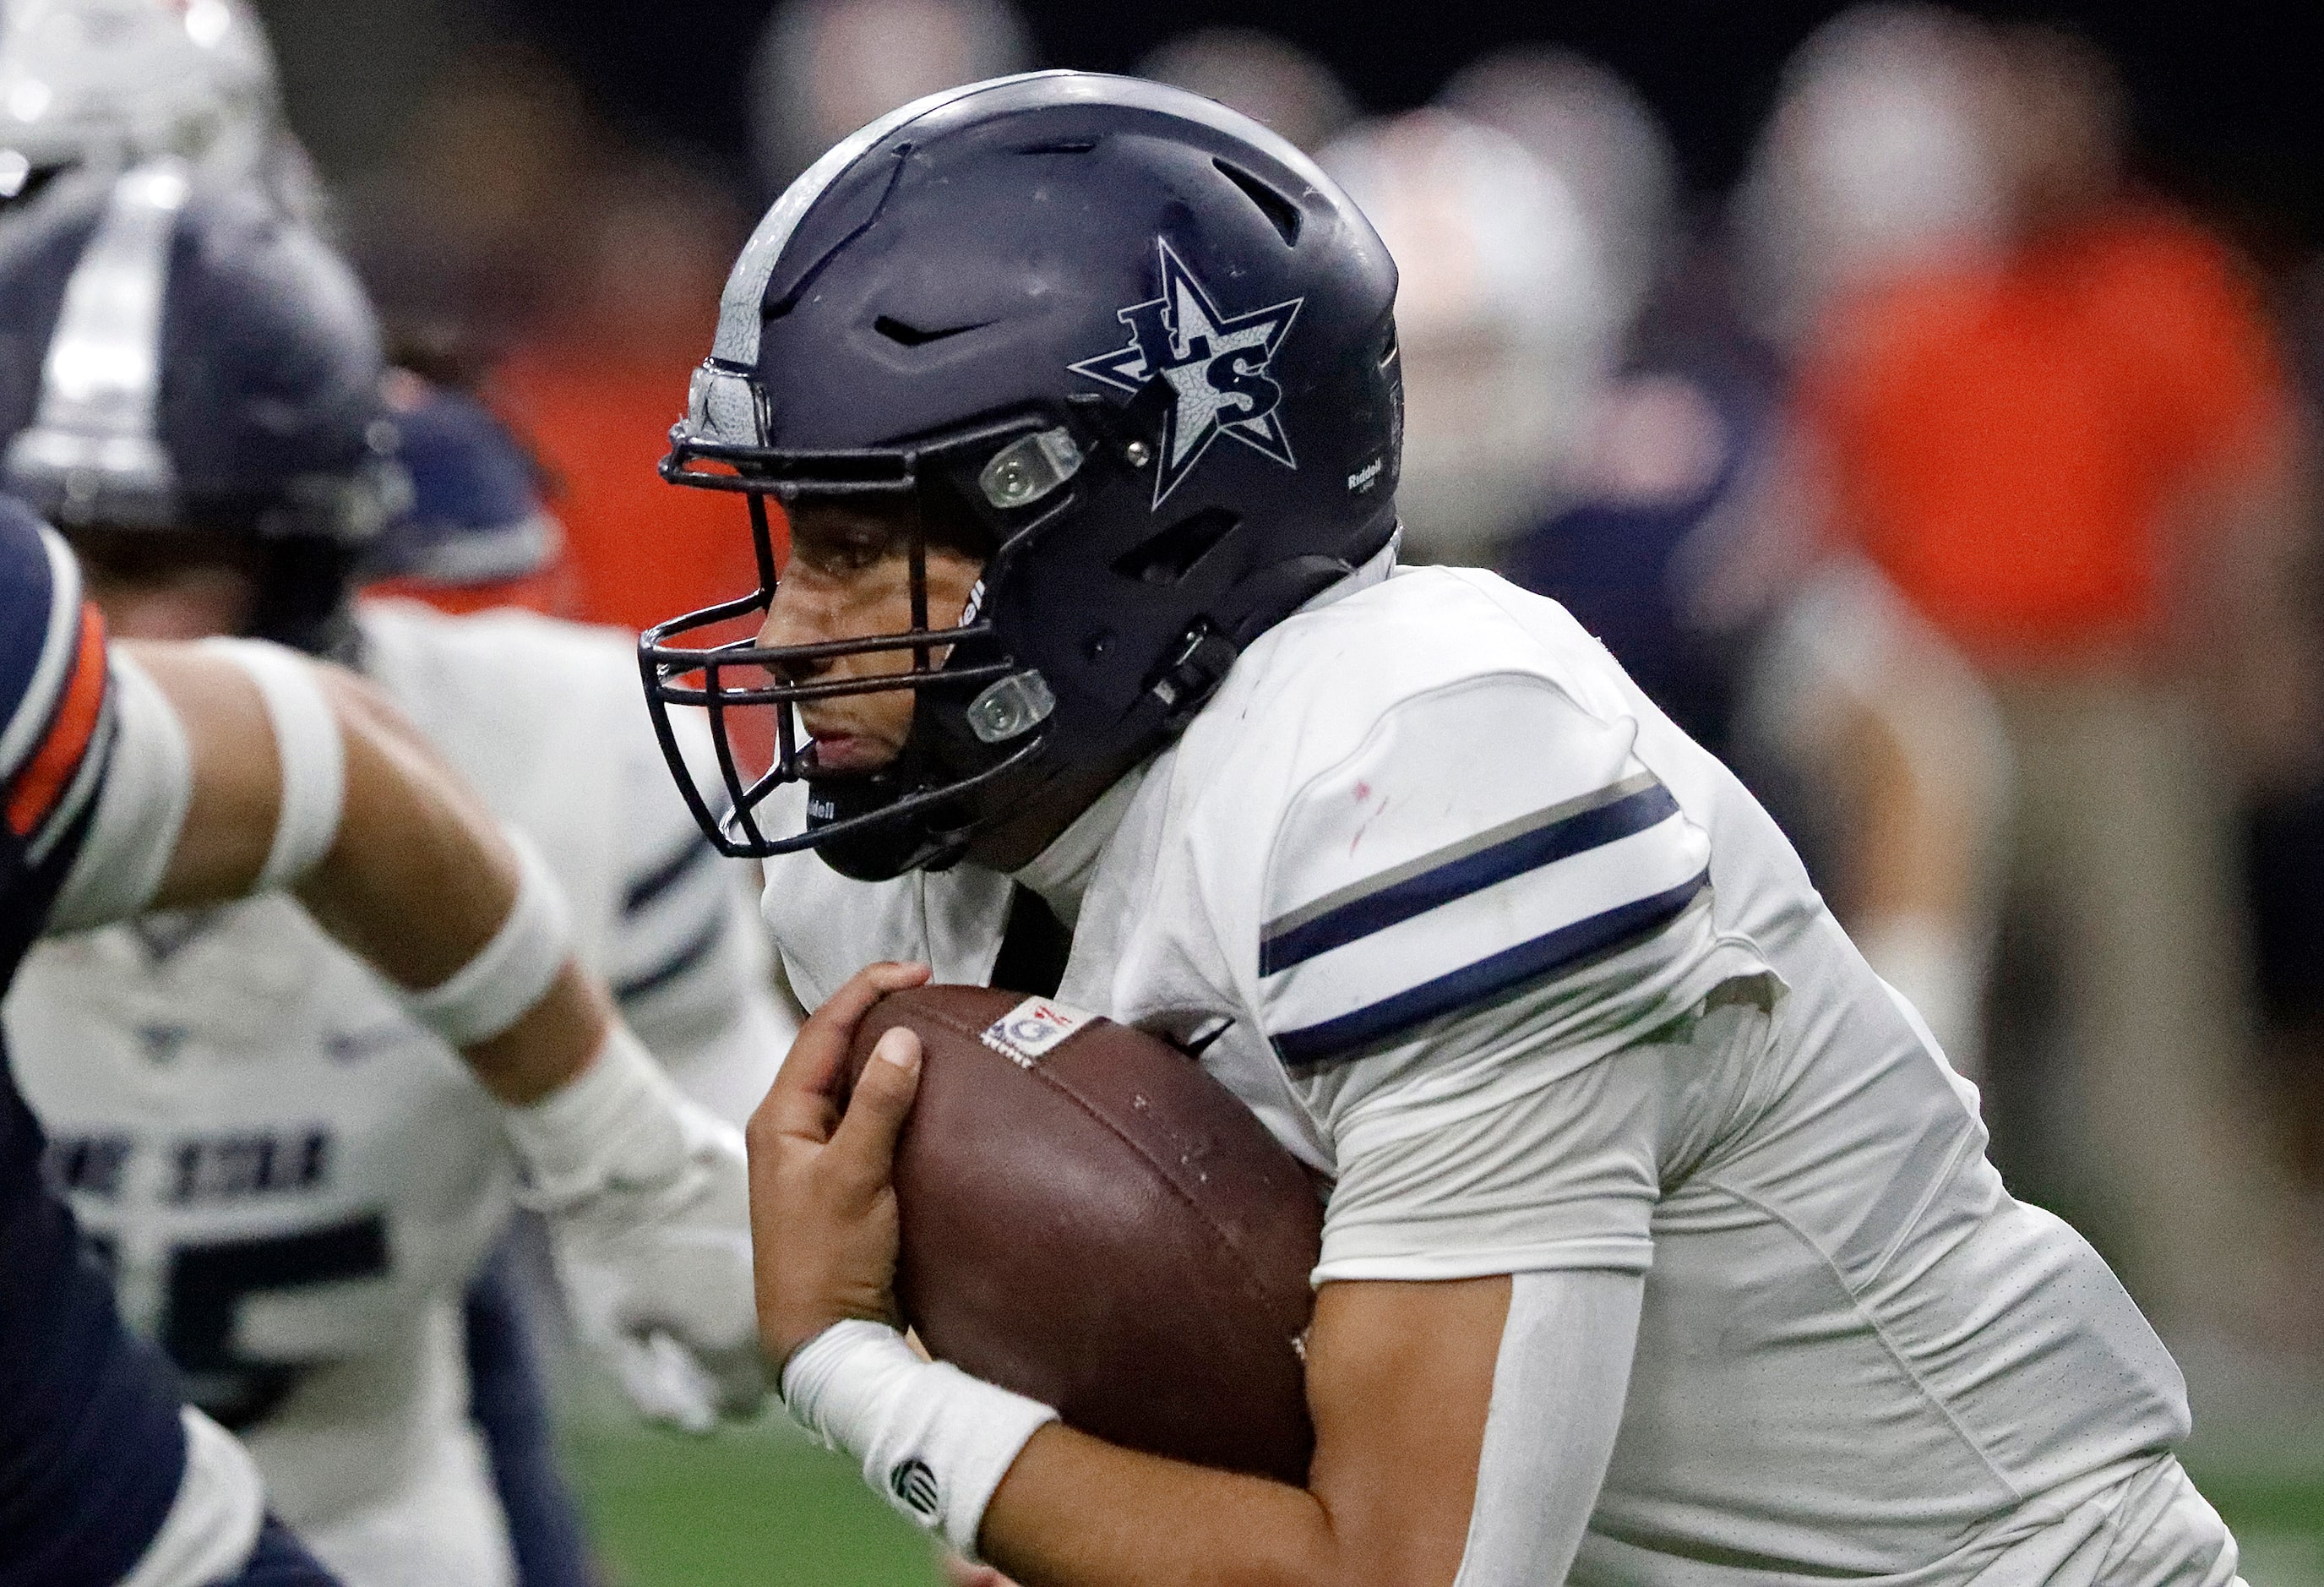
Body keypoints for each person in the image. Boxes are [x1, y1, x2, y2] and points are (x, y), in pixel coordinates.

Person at [638, 74, 2245, 1584]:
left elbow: (1408, 1572)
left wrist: (850, 1369)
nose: (784, 635)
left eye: (856, 545)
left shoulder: (1422, 767)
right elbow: (1071, 1495)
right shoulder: (894, 869)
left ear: (1112, 531)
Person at [0, 164, 788, 1584]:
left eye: (145, 555)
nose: (84, 633)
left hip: (372, 1528)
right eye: (36, 555)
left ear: (298, 563)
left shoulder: (564, 757)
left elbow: (740, 1187)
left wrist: (728, 1227)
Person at [1788, 23, 2308, 1334]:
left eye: (2057, 115)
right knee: (1924, 1012)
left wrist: (2258, 667)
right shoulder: (1912, 300)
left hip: (2119, 688)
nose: (2035, 144)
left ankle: (2215, 1298)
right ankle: (1923, 1301)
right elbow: (1831, 516)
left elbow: (2243, 497)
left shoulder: (2166, 283)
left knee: (2162, 1006)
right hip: (1940, 694)